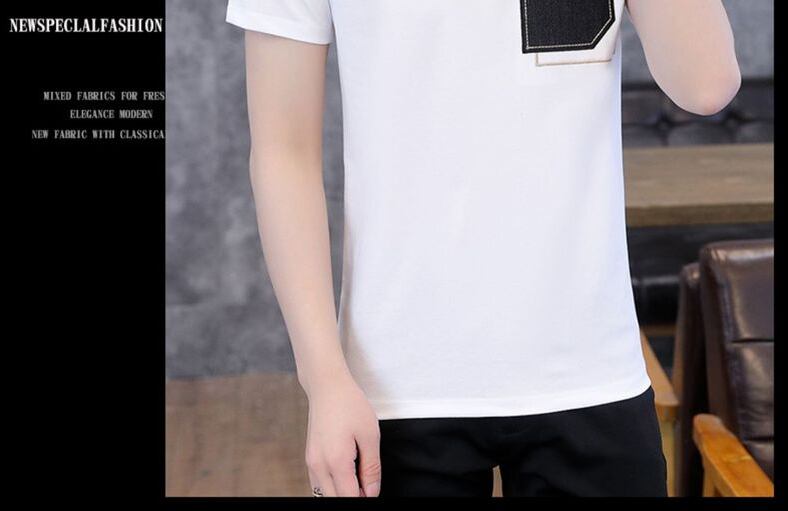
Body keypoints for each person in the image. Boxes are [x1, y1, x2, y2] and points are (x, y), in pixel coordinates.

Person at [226, 0, 740, 497]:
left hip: (592, 371)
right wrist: (324, 380)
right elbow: (283, 152)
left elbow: (706, 85)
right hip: (397, 385)